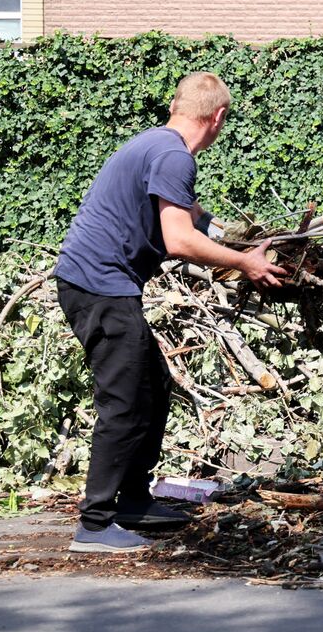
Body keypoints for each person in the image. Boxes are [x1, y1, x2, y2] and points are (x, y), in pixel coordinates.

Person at [54, 72, 287, 553]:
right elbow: (180, 240)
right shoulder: (175, 156)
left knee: (152, 385)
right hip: (99, 287)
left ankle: (134, 500)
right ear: (218, 117)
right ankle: (94, 525)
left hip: (99, 284)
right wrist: (246, 263)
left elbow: (194, 218)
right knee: (123, 399)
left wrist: (239, 239)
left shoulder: (157, 145)